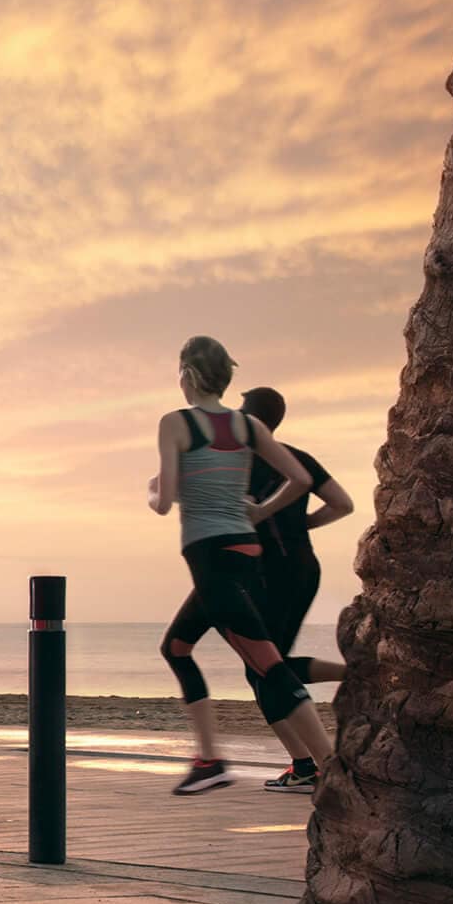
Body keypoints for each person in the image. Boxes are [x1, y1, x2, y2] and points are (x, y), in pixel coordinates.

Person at [148, 336, 336, 796]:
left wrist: (153, 489)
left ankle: (332, 769)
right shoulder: (246, 428)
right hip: (242, 553)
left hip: (212, 558)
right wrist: (260, 511)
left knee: (268, 666)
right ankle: (209, 759)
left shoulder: (176, 424)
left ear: (188, 375)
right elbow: (302, 479)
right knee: (176, 647)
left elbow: (165, 501)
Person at [238, 385, 352, 791]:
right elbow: (342, 503)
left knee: (265, 667)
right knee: (268, 665)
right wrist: (303, 524)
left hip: (269, 571)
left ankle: (307, 766)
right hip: (304, 566)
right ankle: (305, 762)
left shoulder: (239, 460)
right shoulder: (297, 459)